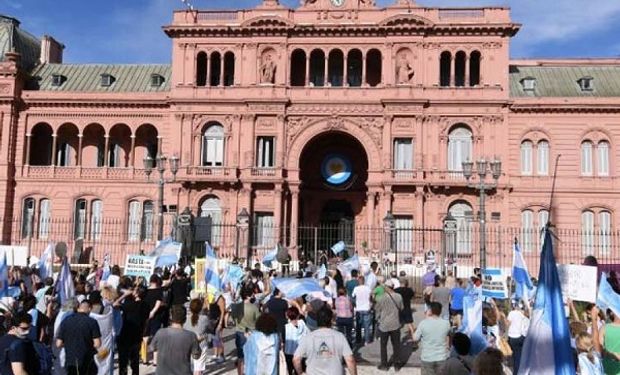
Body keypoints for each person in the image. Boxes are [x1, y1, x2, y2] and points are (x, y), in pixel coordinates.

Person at [293, 306, 357, 375]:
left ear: (317, 320)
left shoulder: (307, 337)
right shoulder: (340, 336)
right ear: (331, 320)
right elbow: (350, 360)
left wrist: (301, 373)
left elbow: (296, 359)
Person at [150, 305, 201, 375]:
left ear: (170, 317)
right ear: (185, 319)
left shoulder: (160, 332)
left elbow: (152, 348)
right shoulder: (191, 336)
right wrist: (198, 342)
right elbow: (196, 356)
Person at [56, 299, 102, 375]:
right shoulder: (92, 322)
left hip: (70, 360)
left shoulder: (66, 320)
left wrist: (69, 344)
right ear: (90, 309)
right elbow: (97, 343)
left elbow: (58, 344)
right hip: (86, 360)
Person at [115, 286, 148, 375]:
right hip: (137, 335)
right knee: (135, 361)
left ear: (137, 293)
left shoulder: (129, 305)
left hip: (125, 335)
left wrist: (124, 295)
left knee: (123, 362)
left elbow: (115, 304)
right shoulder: (146, 305)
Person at [413, 302, 451, 375]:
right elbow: (450, 335)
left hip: (427, 357)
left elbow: (415, 338)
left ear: (430, 311)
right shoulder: (446, 323)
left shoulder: (423, 323)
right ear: (440, 311)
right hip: (441, 357)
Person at [374, 279, 404, 371]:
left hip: (384, 324)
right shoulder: (399, 296)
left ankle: (384, 365)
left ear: (386, 287)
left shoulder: (381, 298)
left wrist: (377, 319)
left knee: (383, 345)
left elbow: (377, 310)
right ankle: (397, 365)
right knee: (396, 345)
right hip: (395, 323)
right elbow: (401, 308)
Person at [233, 288, 261, 375]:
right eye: (252, 295)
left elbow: (234, 318)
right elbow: (259, 320)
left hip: (239, 331)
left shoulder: (236, 307)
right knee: (251, 356)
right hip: (252, 333)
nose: (253, 296)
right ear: (248, 296)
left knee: (240, 356)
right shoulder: (254, 307)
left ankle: (240, 373)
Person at [183, 299, 209, 375]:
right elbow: (210, 327)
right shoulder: (204, 318)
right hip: (201, 345)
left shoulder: (186, 319)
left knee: (192, 366)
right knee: (198, 368)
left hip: (188, 345)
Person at [591, 306, 620, 374]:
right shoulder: (604, 327)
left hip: (607, 367)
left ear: (612, 313)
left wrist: (594, 319)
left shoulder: (604, 328)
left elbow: (599, 349)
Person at [143, 274, 164, 364]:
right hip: (156, 316)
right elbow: (158, 303)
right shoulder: (159, 291)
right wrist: (153, 312)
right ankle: (155, 360)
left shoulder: (145, 290)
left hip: (145, 314)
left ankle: (145, 359)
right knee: (156, 337)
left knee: (145, 337)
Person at [506, 300, 529, 374]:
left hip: (513, 336)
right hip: (523, 336)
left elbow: (508, 324)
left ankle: (517, 372)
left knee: (516, 356)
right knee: (521, 355)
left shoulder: (511, 313)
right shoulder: (524, 314)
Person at [284, 307, 308, 375]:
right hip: (301, 352)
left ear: (288, 316)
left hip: (289, 352)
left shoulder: (286, 327)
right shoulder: (303, 324)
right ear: (298, 315)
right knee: (300, 371)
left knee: (290, 370)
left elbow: (283, 341)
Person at [352, 275, 372, 345]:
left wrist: (355, 303)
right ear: (364, 281)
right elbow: (371, 296)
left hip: (359, 308)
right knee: (367, 326)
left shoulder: (356, 288)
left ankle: (358, 340)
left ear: (358, 281)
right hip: (366, 308)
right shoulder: (368, 288)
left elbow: (353, 297)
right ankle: (367, 340)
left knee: (358, 325)